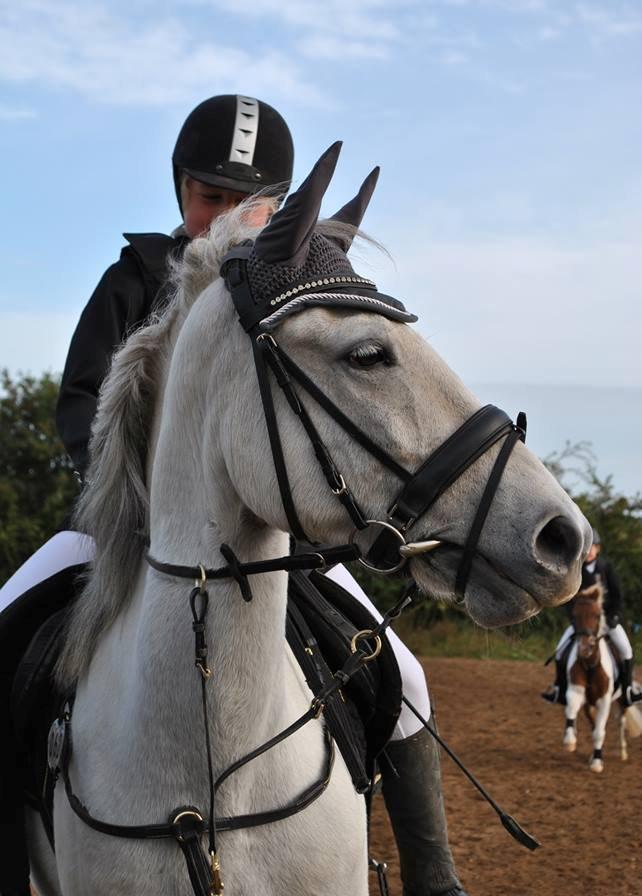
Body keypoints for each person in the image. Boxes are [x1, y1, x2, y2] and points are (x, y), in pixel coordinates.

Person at [0, 94, 468, 896]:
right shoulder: (136, 277)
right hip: (122, 524)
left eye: (250, 202)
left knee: (408, 677)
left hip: (269, 530)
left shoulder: (285, 297)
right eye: (209, 195)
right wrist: (122, 484)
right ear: (179, 188)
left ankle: (435, 876)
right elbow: (80, 399)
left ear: (280, 209)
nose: (226, 215)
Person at [541, 528, 642, 707]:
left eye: (592, 547)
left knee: (626, 651)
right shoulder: (575, 571)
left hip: (607, 621)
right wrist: (574, 621)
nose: (588, 552)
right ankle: (560, 689)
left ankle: (627, 691)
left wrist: (614, 617)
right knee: (560, 653)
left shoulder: (607, 568)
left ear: (598, 549)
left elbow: (617, 597)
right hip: (582, 624)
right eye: (585, 548)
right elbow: (568, 600)